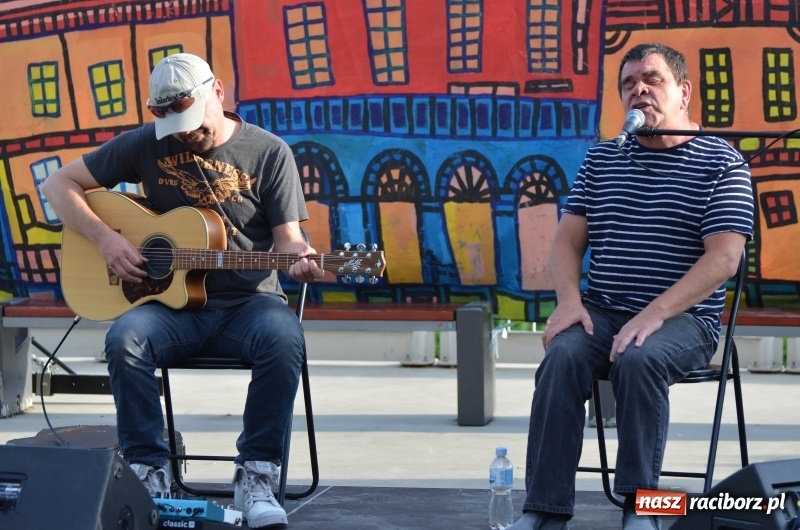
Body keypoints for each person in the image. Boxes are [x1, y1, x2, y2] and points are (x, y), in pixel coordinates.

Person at [42, 53, 323, 528]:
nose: (184, 134)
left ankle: (257, 476)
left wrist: (302, 258)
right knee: (124, 338)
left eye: (190, 122)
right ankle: (148, 474)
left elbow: (289, 239)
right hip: (173, 309)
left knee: (283, 338)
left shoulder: (270, 152)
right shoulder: (147, 143)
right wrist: (106, 239)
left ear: (218, 91)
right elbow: (58, 184)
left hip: (250, 305)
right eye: (172, 124)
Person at [506, 43, 754, 530]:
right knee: (562, 356)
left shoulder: (723, 163)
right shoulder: (603, 158)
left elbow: (724, 258)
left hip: (685, 320)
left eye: (652, 80)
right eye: (629, 84)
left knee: (639, 357)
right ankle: (543, 511)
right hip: (603, 310)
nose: (639, 90)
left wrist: (654, 313)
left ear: (683, 93)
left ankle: (642, 507)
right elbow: (566, 242)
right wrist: (569, 302)